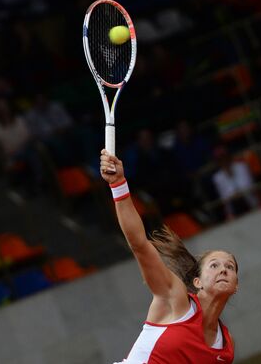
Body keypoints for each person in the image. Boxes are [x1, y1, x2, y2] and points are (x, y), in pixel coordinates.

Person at [100, 149, 237, 364]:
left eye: (230, 267)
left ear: (236, 285)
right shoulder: (174, 298)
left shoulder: (225, 348)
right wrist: (118, 184)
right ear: (197, 281)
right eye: (214, 265)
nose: (224, 269)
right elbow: (140, 245)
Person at [211, 145, 260, 221]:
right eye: (221, 160)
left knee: (240, 200)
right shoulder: (217, 178)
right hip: (234, 209)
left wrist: (237, 194)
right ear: (218, 162)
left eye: (225, 158)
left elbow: (248, 185)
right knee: (235, 202)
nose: (224, 161)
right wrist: (235, 194)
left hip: (249, 202)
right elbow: (224, 196)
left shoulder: (242, 166)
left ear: (229, 157)